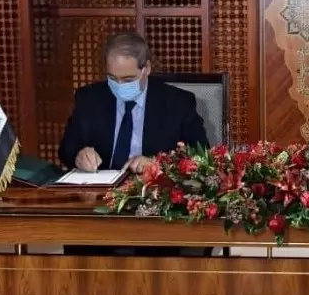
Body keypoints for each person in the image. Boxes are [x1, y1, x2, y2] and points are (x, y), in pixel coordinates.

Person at [59, 30, 209, 256]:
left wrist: (158, 164)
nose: (119, 85)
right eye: (112, 78)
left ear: (146, 68)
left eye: (128, 79)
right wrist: (78, 154)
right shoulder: (89, 98)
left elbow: (201, 154)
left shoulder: (177, 103)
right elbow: (66, 148)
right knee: (80, 243)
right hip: (100, 202)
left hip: (152, 204)